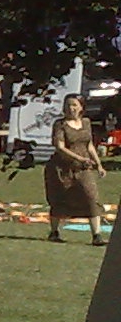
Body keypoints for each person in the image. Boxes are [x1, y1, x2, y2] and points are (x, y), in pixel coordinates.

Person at [46, 93, 105, 244]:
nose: (71, 108)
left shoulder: (86, 123)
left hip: (83, 169)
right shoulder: (60, 124)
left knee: (91, 196)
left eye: (74, 105)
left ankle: (96, 235)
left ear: (81, 107)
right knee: (59, 199)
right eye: (68, 105)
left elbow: (89, 145)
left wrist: (98, 164)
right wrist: (79, 158)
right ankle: (54, 232)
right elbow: (60, 146)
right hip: (61, 168)